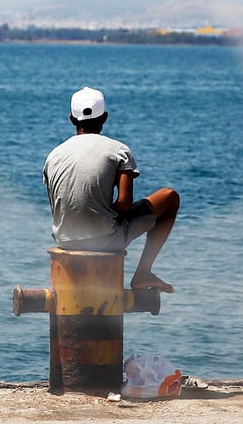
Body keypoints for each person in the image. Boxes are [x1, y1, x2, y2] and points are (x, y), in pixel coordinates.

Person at [43, 87, 179, 293]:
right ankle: (143, 273)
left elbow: (59, 204)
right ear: (104, 117)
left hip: (65, 239)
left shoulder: (53, 156)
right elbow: (124, 205)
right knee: (169, 197)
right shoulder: (118, 151)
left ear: (71, 118)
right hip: (104, 240)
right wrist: (103, 216)